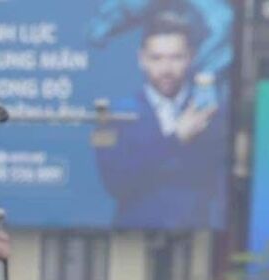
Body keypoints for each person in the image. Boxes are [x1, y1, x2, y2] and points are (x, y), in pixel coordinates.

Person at [94, 10, 226, 228]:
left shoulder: (212, 113)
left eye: (176, 58)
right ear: (141, 59)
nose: (166, 69)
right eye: (157, 58)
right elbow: (116, 183)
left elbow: (217, 182)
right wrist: (175, 140)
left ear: (191, 57)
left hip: (195, 231)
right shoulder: (113, 115)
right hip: (132, 234)